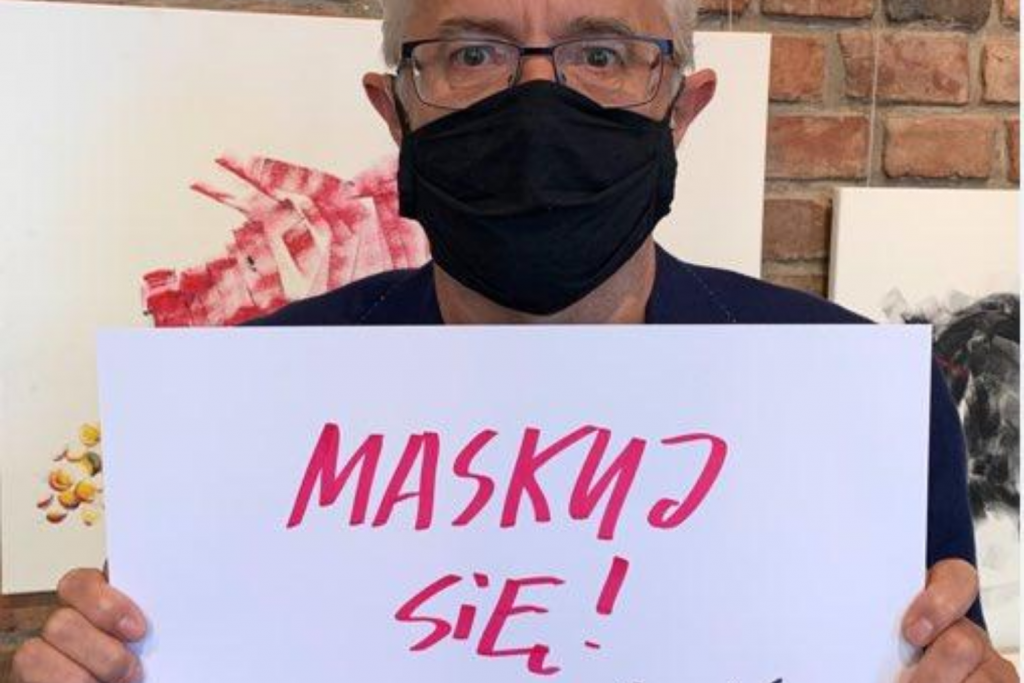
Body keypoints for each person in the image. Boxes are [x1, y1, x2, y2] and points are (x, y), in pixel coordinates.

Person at [13, 0, 1018, 681]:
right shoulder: (240, 397)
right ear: (394, 110)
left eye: (602, 53)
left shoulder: (855, 397)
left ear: (682, 108)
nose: (538, 103)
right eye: (471, 53)